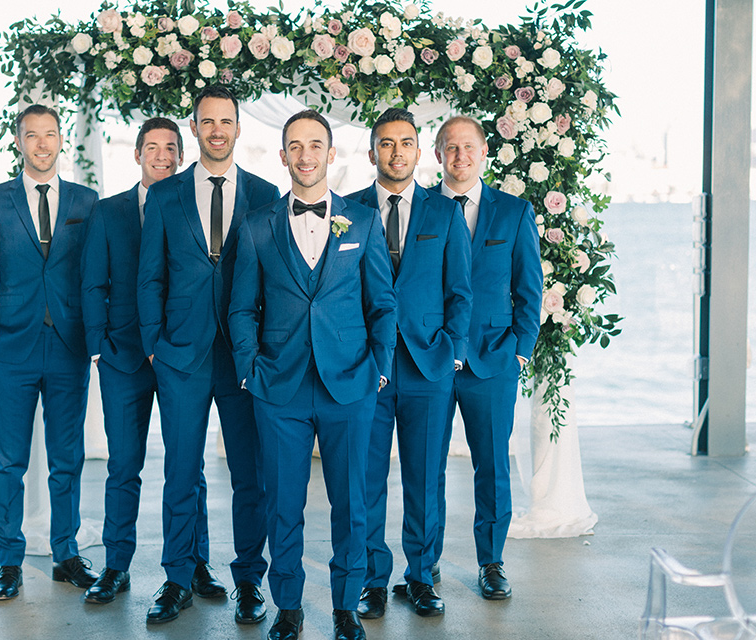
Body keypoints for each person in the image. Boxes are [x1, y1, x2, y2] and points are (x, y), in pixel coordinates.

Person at [228, 109, 397, 640]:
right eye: (295, 146)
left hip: (350, 383)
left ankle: (346, 607)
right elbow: (240, 308)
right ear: (283, 156)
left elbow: (382, 304)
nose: (305, 155)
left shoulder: (363, 222)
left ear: (330, 153)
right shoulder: (257, 225)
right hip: (278, 387)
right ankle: (289, 607)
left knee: (352, 500)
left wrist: (381, 368)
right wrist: (250, 371)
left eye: (315, 145)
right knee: (283, 501)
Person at [137, 86, 280, 625]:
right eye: (207, 121)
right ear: (193, 130)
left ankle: (248, 580)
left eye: (226, 121)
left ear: (240, 129)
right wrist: (154, 345)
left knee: (250, 474)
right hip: (180, 357)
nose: (217, 129)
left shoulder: (267, 194)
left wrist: (267, 351)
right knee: (180, 471)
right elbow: (149, 277)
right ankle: (176, 578)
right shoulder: (166, 196)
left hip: (246, 359)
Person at [0, 104, 100, 601]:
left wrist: (96, 337)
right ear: (18, 141)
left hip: (70, 346)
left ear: (61, 140)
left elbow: (96, 275)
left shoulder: (87, 202)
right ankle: (9, 561)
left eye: (50, 135)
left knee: (67, 459)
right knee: (10, 462)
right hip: (11, 349)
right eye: (32, 136)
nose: (42, 144)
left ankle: (66, 554)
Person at [344, 108, 472, 619]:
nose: (396, 152)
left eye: (406, 143)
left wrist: (453, 353)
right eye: (386, 143)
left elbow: (460, 292)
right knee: (365, 479)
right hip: (365, 367)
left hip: (428, 368)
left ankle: (420, 576)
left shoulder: (443, 214)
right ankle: (373, 579)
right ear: (372, 151)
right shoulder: (347, 209)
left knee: (424, 479)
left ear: (420, 151)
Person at [81, 117, 204, 604]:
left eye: (170, 148)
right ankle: (116, 566)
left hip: (182, 356)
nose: (161, 156)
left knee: (188, 466)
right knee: (123, 465)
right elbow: (93, 282)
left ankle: (194, 565)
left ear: (180, 155)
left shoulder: (192, 205)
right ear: (136, 154)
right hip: (123, 358)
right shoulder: (109, 212)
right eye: (151, 148)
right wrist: (97, 346)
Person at [431, 115, 542, 600]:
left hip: (493, 361)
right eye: (450, 148)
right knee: (425, 464)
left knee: (492, 465)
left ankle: (491, 562)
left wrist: (520, 350)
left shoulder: (514, 213)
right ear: (437, 155)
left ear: (484, 152)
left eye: (469, 147)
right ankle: (424, 563)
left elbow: (529, 288)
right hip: (430, 359)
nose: (460, 156)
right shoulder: (421, 209)